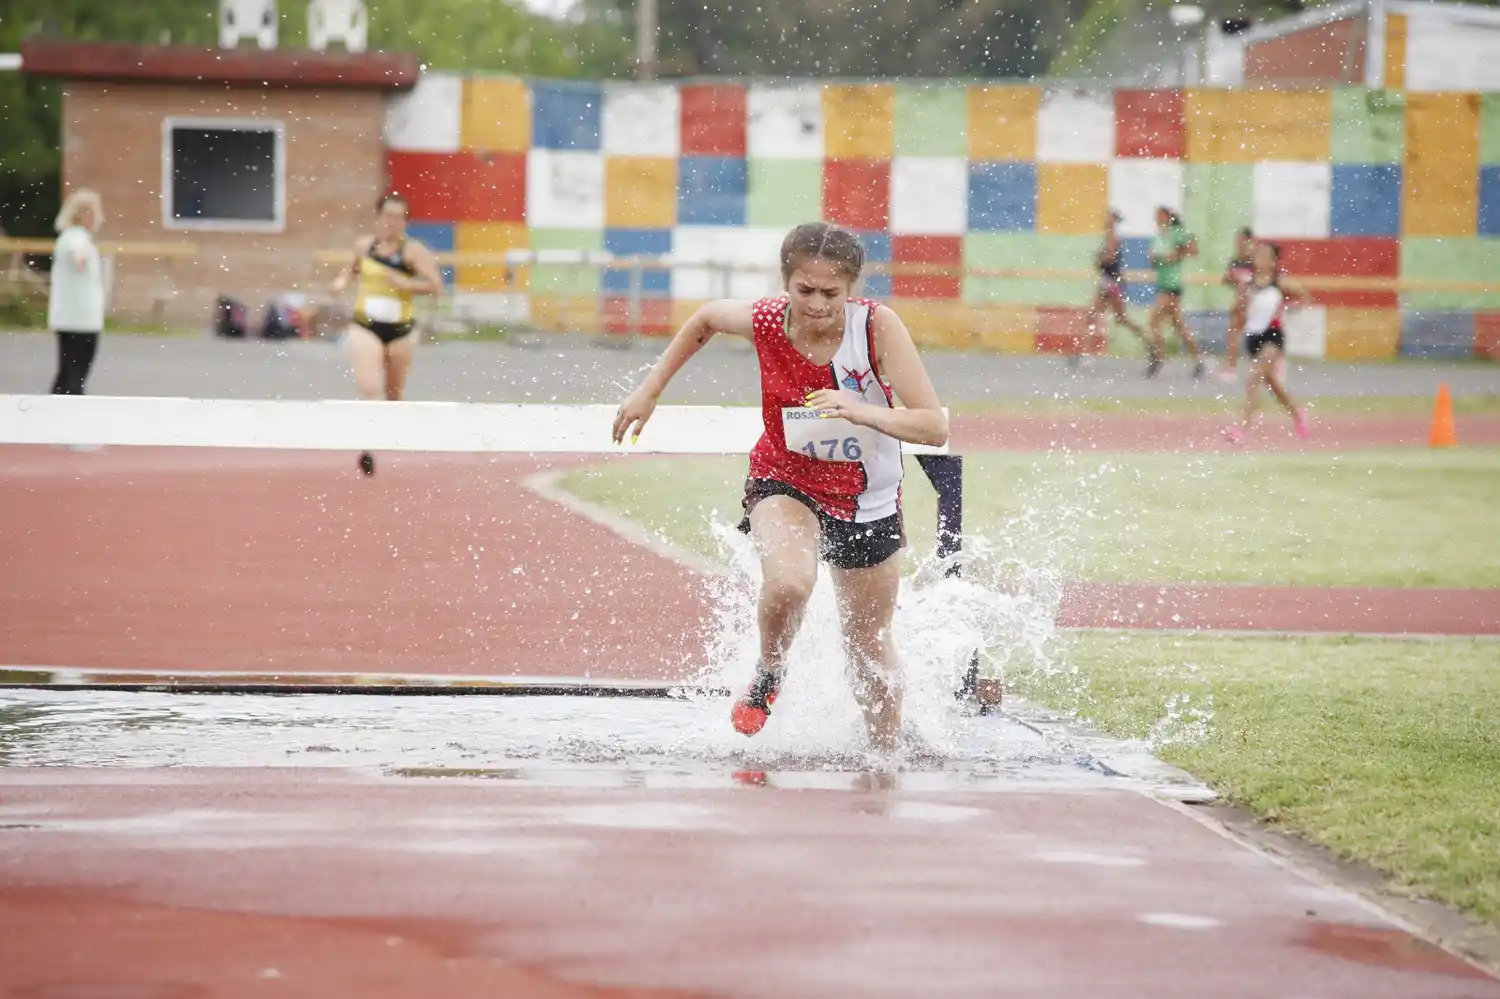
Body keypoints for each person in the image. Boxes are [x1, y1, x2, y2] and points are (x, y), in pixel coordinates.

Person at [611, 222, 949, 753]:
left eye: (830, 294)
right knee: (790, 582)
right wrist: (648, 391)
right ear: (785, 283)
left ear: (853, 288)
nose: (816, 305)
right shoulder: (767, 320)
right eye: (805, 291)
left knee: (868, 645)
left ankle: (885, 757)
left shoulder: (877, 329)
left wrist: (857, 410)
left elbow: (934, 425)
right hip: (785, 478)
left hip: (869, 499)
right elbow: (703, 319)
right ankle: (770, 669)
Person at [329, 193, 444, 475]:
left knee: (394, 395)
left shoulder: (413, 252)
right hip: (366, 325)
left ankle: (390, 439)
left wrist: (405, 284)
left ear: (406, 221)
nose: (392, 222)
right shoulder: (364, 246)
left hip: (400, 330)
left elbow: (436, 287)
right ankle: (368, 447)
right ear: (378, 217)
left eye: (399, 217)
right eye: (388, 216)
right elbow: (350, 271)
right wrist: (340, 282)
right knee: (370, 387)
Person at [1224, 241, 1309, 443]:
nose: (1259, 258)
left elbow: (1304, 297)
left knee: (1253, 377)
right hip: (1252, 338)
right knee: (1272, 383)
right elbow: (1237, 314)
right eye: (1258, 255)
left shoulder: (1280, 283)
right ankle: (1297, 412)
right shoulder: (1247, 285)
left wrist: (1289, 307)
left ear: (1273, 262)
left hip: (1272, 336)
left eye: (1264, 255)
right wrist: (1240, 305)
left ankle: (1242, 428)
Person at [47, 189, 107, 396]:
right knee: (75, 376)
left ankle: (53, 413)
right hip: (81, 320)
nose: (102, 217)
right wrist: (80, 258)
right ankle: (69, 418)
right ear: (86, 214)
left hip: (68, 317)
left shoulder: (68, 236)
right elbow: (77, 251)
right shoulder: (76, 237)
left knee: (66, 374)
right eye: (98, 212)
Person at [1077, 209, 1146, 368]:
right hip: (1107, 281)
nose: (1105, 220)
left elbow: (1110, 259)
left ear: (1113, 221)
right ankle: (1084, 354)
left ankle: (1150, 343)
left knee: (1117, 318)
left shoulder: (1113, 238)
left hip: (1112, 283)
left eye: (1107, 218)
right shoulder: (1109, 237)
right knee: (1095, 316)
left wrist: (1099, 258)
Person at [1145, 207, 1204, 379]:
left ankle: (1163, 361)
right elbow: (1155, 260)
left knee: (1154, 321)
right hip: (1162, 283)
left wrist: (1178, 254)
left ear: (1167, 217)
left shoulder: (1175, 232)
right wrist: (1154, 259)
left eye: (1159, 216)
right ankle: (1198, 360)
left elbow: (1193, 248)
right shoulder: (1157, 237)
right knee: (1179, 327)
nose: (1156, 219)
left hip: (1171, 285)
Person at [1215, 227, 1257, 383]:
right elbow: (1228, 279)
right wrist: (1231, 277)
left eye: (1240, 239)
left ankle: (1266, 366)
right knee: (1233, 332)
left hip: (1252, 303)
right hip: (1241, 302)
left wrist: (1241, 298)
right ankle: (1232, 367)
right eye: (1236, 240)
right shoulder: (1236, 260)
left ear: (1248, 240)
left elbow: (1255, 282)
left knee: (1255, 334)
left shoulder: (1254, 259)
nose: (1237, 243)